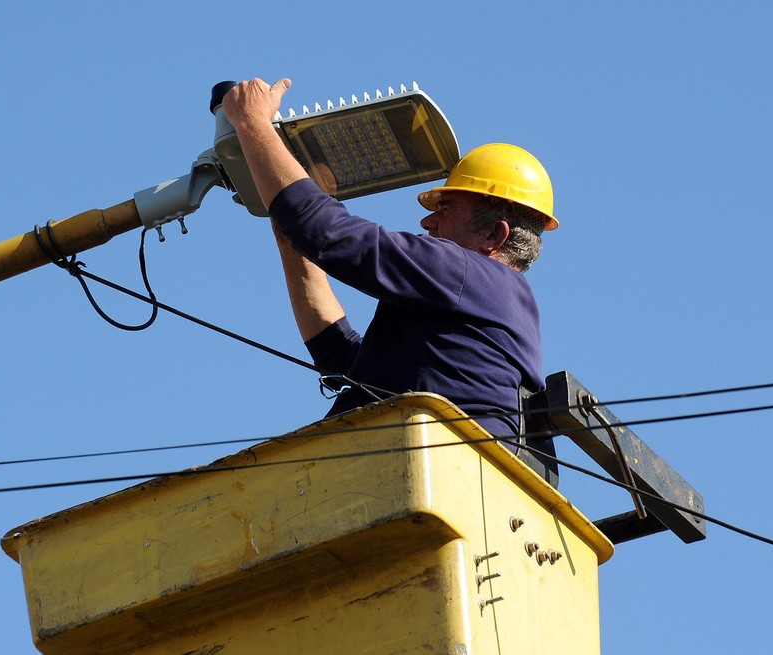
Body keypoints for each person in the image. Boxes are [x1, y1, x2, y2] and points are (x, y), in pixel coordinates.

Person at [221, 78, 560, 483]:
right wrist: (292, 244)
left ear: (494, 236)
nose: (427, 220)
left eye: (446, 208)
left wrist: (251, 121)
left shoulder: (469, 273)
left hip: (437, 478)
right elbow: (347, 363)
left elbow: (326, 232)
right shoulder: (484, 302)